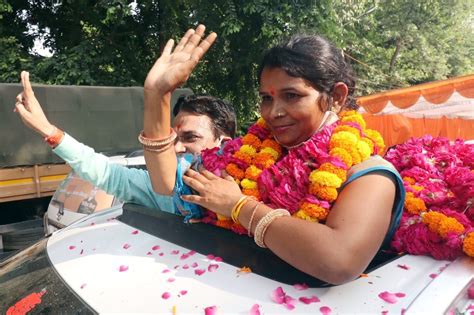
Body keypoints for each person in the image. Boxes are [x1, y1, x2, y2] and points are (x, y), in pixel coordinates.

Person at [141, 25, 405, 285]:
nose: (274, 112)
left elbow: (339, 261)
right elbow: (167, 183)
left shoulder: (368, 173)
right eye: (267, 98)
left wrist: (238, 206)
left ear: (336, 96)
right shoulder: (249, 154)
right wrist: (157, 96)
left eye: (292, 95)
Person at [14, 71, 236, 216]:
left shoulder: (255, 189)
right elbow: (104, 171)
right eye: (173, 139)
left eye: (190, 138)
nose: (176, 148)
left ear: (223, 143)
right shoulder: (161, 189)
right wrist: (48, 130)